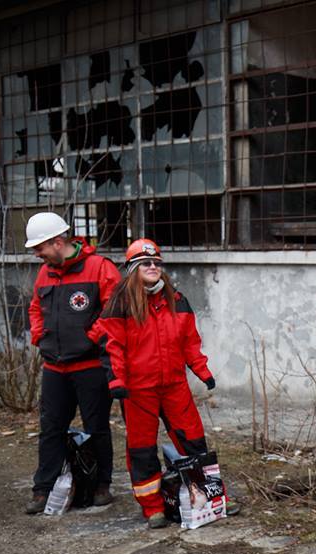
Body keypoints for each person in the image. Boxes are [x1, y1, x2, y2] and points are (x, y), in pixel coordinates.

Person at [98, 239, 236, 528]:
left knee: (194, 441)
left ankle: (213, 497)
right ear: (132, 269)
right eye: (145, 263)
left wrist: (202, 371)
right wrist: (117, 381)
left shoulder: (176, 299)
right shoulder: (120, 303)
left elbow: (190, 342)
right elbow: (113, 347)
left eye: (156, 263)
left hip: (175, 386)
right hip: (138, 391)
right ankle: (153, 508)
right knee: (142, 449)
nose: (152, 267)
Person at [25, 212, 121, 514]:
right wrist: (39, 336)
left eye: (39, 247)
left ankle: (101, 485)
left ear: (57, 242)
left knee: (96, 428)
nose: (37, 254)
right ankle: (43, 489)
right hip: (54, 367)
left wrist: (89, 339)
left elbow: (114, 311)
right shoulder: (45, 272)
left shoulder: (100, 268)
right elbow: (35, 307)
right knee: (50, 429)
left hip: (90, 366)